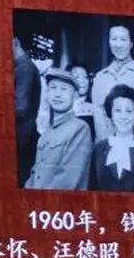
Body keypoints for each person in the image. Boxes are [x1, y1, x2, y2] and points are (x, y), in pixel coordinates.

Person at [24, 68, 91, 191]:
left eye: (64, 89)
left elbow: (67, 180)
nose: (57, 94)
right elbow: (35, 174)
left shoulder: (80, 128)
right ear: (47, 93)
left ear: (75, 96)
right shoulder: (47, 132)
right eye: (53, 88)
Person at [91, 24, 134, 143]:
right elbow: (98, 114)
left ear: (131, 44)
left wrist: (126, 141)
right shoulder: (100, 76)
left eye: (123, 39)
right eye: (114, 39)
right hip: (107, 142)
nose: (118, 44)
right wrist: (108, 143)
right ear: (109, 42)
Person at [12, 35, 41, 186]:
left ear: (15, 41)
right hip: (24, 136)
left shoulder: (24, 67)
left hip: (21, 138)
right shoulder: (23, 66)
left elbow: (21, 107)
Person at [70, 65, 96, 141]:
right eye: (77, 77)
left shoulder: (93, 106)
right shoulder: (63, 106)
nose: (82, 81)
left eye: (85, 77)